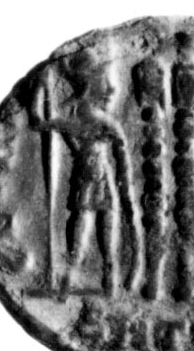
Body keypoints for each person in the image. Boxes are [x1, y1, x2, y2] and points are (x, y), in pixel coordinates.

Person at [32, 49, 142, 299]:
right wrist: (40, 87)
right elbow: (37, 122)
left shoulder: (88, 123)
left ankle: (86, 282)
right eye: (104, 81)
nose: (111, 89)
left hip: (96, 183)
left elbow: (38, 121)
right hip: (94, 183)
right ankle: (79, 283)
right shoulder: (101, 123)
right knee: (91, 238)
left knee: (95, 238)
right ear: (91, 85)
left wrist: (40, 89)